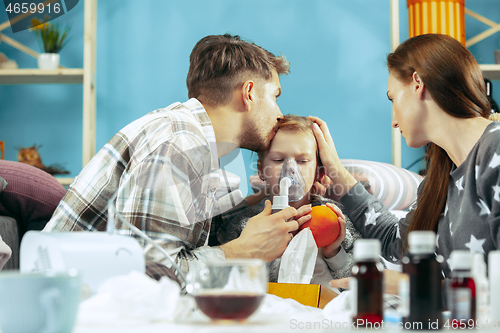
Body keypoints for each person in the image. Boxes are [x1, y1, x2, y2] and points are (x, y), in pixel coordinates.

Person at [43, 34, 305, 282]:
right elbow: (147, 278)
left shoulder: (190, 141)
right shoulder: (177, 144)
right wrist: (243, 251)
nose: (280, 113)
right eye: (275, 96)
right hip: (69, 308)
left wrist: (255, 202)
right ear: (249, 93)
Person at [309, 34, 498, 284]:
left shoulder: (494, 151)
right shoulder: (441, 179)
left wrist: (411, 286)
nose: (394, 120)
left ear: (417, 83)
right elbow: (393, 241)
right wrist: (335, 169)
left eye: (392, 98)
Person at [217, 115, 363, 291]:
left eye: (302, 161)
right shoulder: (246, 224)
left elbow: (367, 284)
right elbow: (227, 281)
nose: (291, 170)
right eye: (279, 160)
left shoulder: (336, 218)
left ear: (319, 171)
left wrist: (334, 253)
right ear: (261, 170)